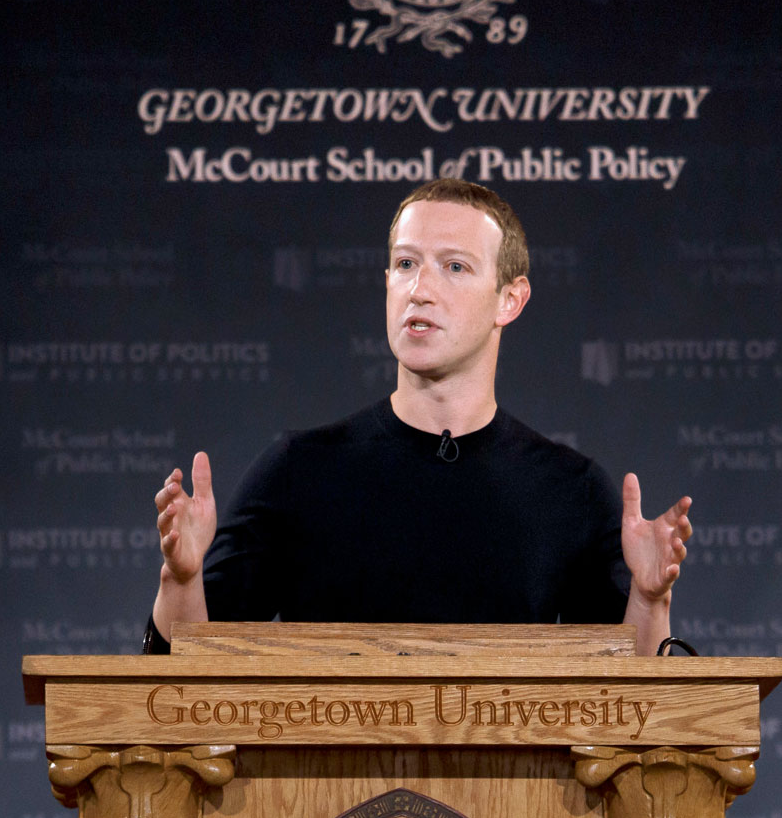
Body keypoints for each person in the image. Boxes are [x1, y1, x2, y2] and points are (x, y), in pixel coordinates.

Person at [147, 178, 692, 655]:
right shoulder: (297, 471)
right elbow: (185, 679)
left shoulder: (570, 489)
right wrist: (181, 578)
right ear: (387, 281)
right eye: (406, 264)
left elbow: (630, 705)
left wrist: (650, 599)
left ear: (510, 299)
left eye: (454, 267)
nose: (420, 290)